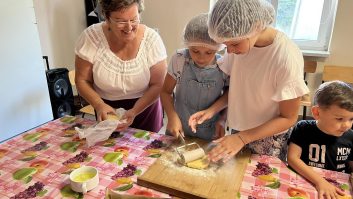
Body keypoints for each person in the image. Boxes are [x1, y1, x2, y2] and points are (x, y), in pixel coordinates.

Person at [194, 0, 309, 162]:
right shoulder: (238, 43)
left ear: (256, 26)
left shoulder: (285, 57)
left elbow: (288, 118)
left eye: (233, 44)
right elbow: (239, 88)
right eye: (225, 45)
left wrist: (242, 138)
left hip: (269, 139)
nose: (229, 51)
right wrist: (212, 110)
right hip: (238, 131)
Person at [74, 0, 167, 133]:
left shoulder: (151, 40)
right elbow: (82, 80)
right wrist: (99, 105)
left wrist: (135, 110)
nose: (129, 27)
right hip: (106, 111)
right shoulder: (91, 38)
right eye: (120, 21)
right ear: (107, 18)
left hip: (146, 110)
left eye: (134, 19)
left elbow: (159, 84)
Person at [160, 13, 229, 141]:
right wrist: (171, 116)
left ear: (218, 48)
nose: (201, 58)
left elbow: (229, 94)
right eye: (195, 51)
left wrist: (222, 120)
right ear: (188, 45)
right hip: (179, 128)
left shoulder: (223, 65)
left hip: (210, 132)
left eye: (209, 52)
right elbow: (165, 92)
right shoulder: (179, 59)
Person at [288, 81, 353, 198]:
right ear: (317, 112)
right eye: (340, 119)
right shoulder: (303, 128)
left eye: (351, 119)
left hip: (338, 190)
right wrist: (320, 181)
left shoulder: (350, 136)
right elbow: (292, 158)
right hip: (305, 182)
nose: (347, 125)